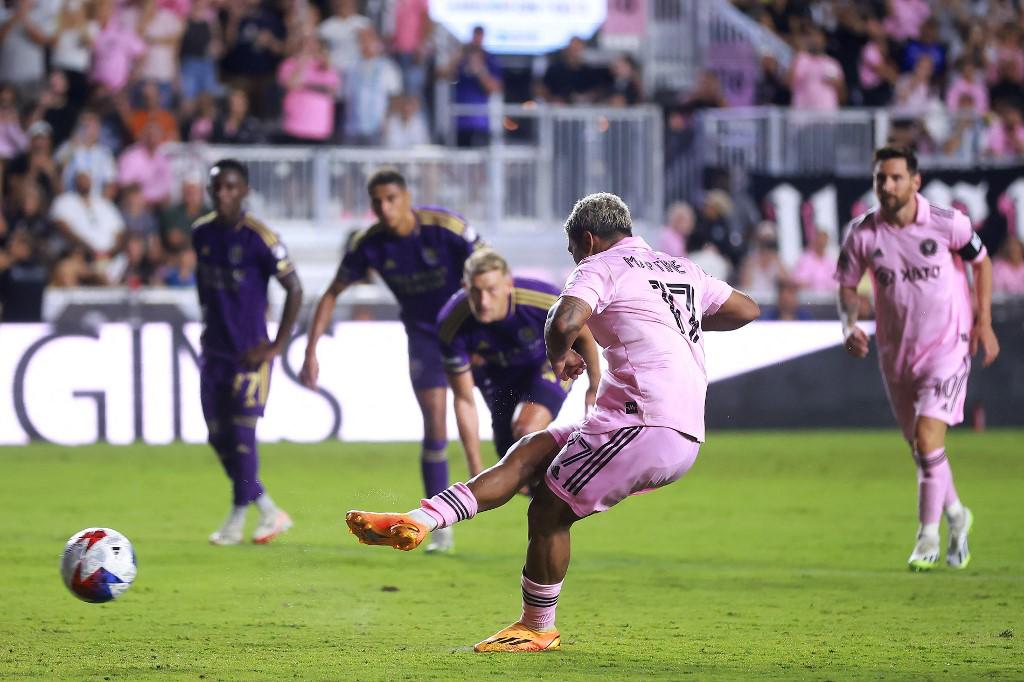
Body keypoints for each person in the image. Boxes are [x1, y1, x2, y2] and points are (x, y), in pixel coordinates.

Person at [344, 192, 760, 651]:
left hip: (642, 423)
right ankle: (421, 519)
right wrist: (677, 319)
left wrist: (559, 356)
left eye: (572, 249)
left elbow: (562, 323)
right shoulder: (679, 268)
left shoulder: (599, 266)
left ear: (588, 239)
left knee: (548, 509)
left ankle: (537, 627)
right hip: (672, 426)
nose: (574, 257)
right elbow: (746, 309)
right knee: (532, 451)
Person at [301, 169, 482, 553]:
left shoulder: (446, 229)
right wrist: (310, 350)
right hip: (425, 339)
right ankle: (439, 527)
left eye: (391, 199)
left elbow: (492, 269)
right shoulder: (370, 244)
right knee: (435, 425)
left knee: (506, 414)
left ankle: (505, 479)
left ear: (407, 198)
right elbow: (331, 293)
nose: (384, 208)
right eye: (377, 202)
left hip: (472, 331)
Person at [836, 145, 1000, 572]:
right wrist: (849, 326)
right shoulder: (862, 233)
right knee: (922, 448)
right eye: (881, 179)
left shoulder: (948, 223)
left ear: (915, 181)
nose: (887, 186)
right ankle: (958, 515)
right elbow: (848, 285)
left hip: (948, 347)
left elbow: (982, 263)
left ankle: (927, 537)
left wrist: (984, 321)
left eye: (896, 178)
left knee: (928, 440)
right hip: (896, 354)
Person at [192, 159, 303, 546]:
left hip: (249, 355)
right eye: (217, 188)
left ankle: (236, 520)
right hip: (214, 352)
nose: (223, 194)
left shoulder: (261, 238)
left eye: (230, 187)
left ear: (244, 192)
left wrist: (276, 345)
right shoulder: (201, 233)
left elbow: (295, 289)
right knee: (217, 437)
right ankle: (269, 508)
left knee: (242, 436)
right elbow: (204, 285)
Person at [437, 248, 600, 477]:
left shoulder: (543, 300)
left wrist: (595, 385)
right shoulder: (451, 325)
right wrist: (475, 469)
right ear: (465, 288)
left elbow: (583, 333)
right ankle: (556, 484)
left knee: (525, 430)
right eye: (476, 291)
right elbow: (464, 400)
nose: (484, 301)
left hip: (546, 363)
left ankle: (574, 478)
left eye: (491, 290)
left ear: (508, 285)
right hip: (499, 377)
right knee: (510, 458)